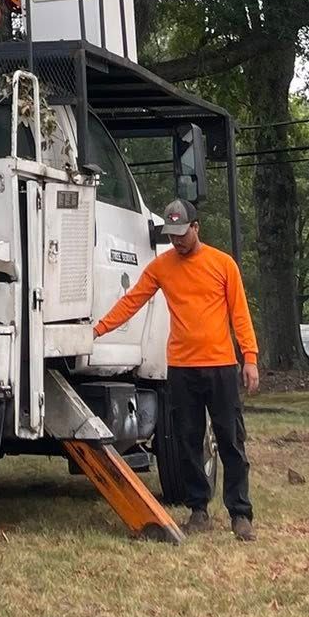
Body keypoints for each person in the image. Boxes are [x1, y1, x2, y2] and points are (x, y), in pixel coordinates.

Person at [92, 197, 259, 539]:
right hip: (181, 369)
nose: (177, 241)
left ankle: (240, 514)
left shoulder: (223, 264)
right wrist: (97, 330)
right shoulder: (161, 267)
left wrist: (250, 358)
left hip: (220, 366)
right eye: (171, 235)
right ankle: (198, 508)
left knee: (231, 440)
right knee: (187, 440)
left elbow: (239, 314)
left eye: (182, 233)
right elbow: (132, 301)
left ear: (196, 227)